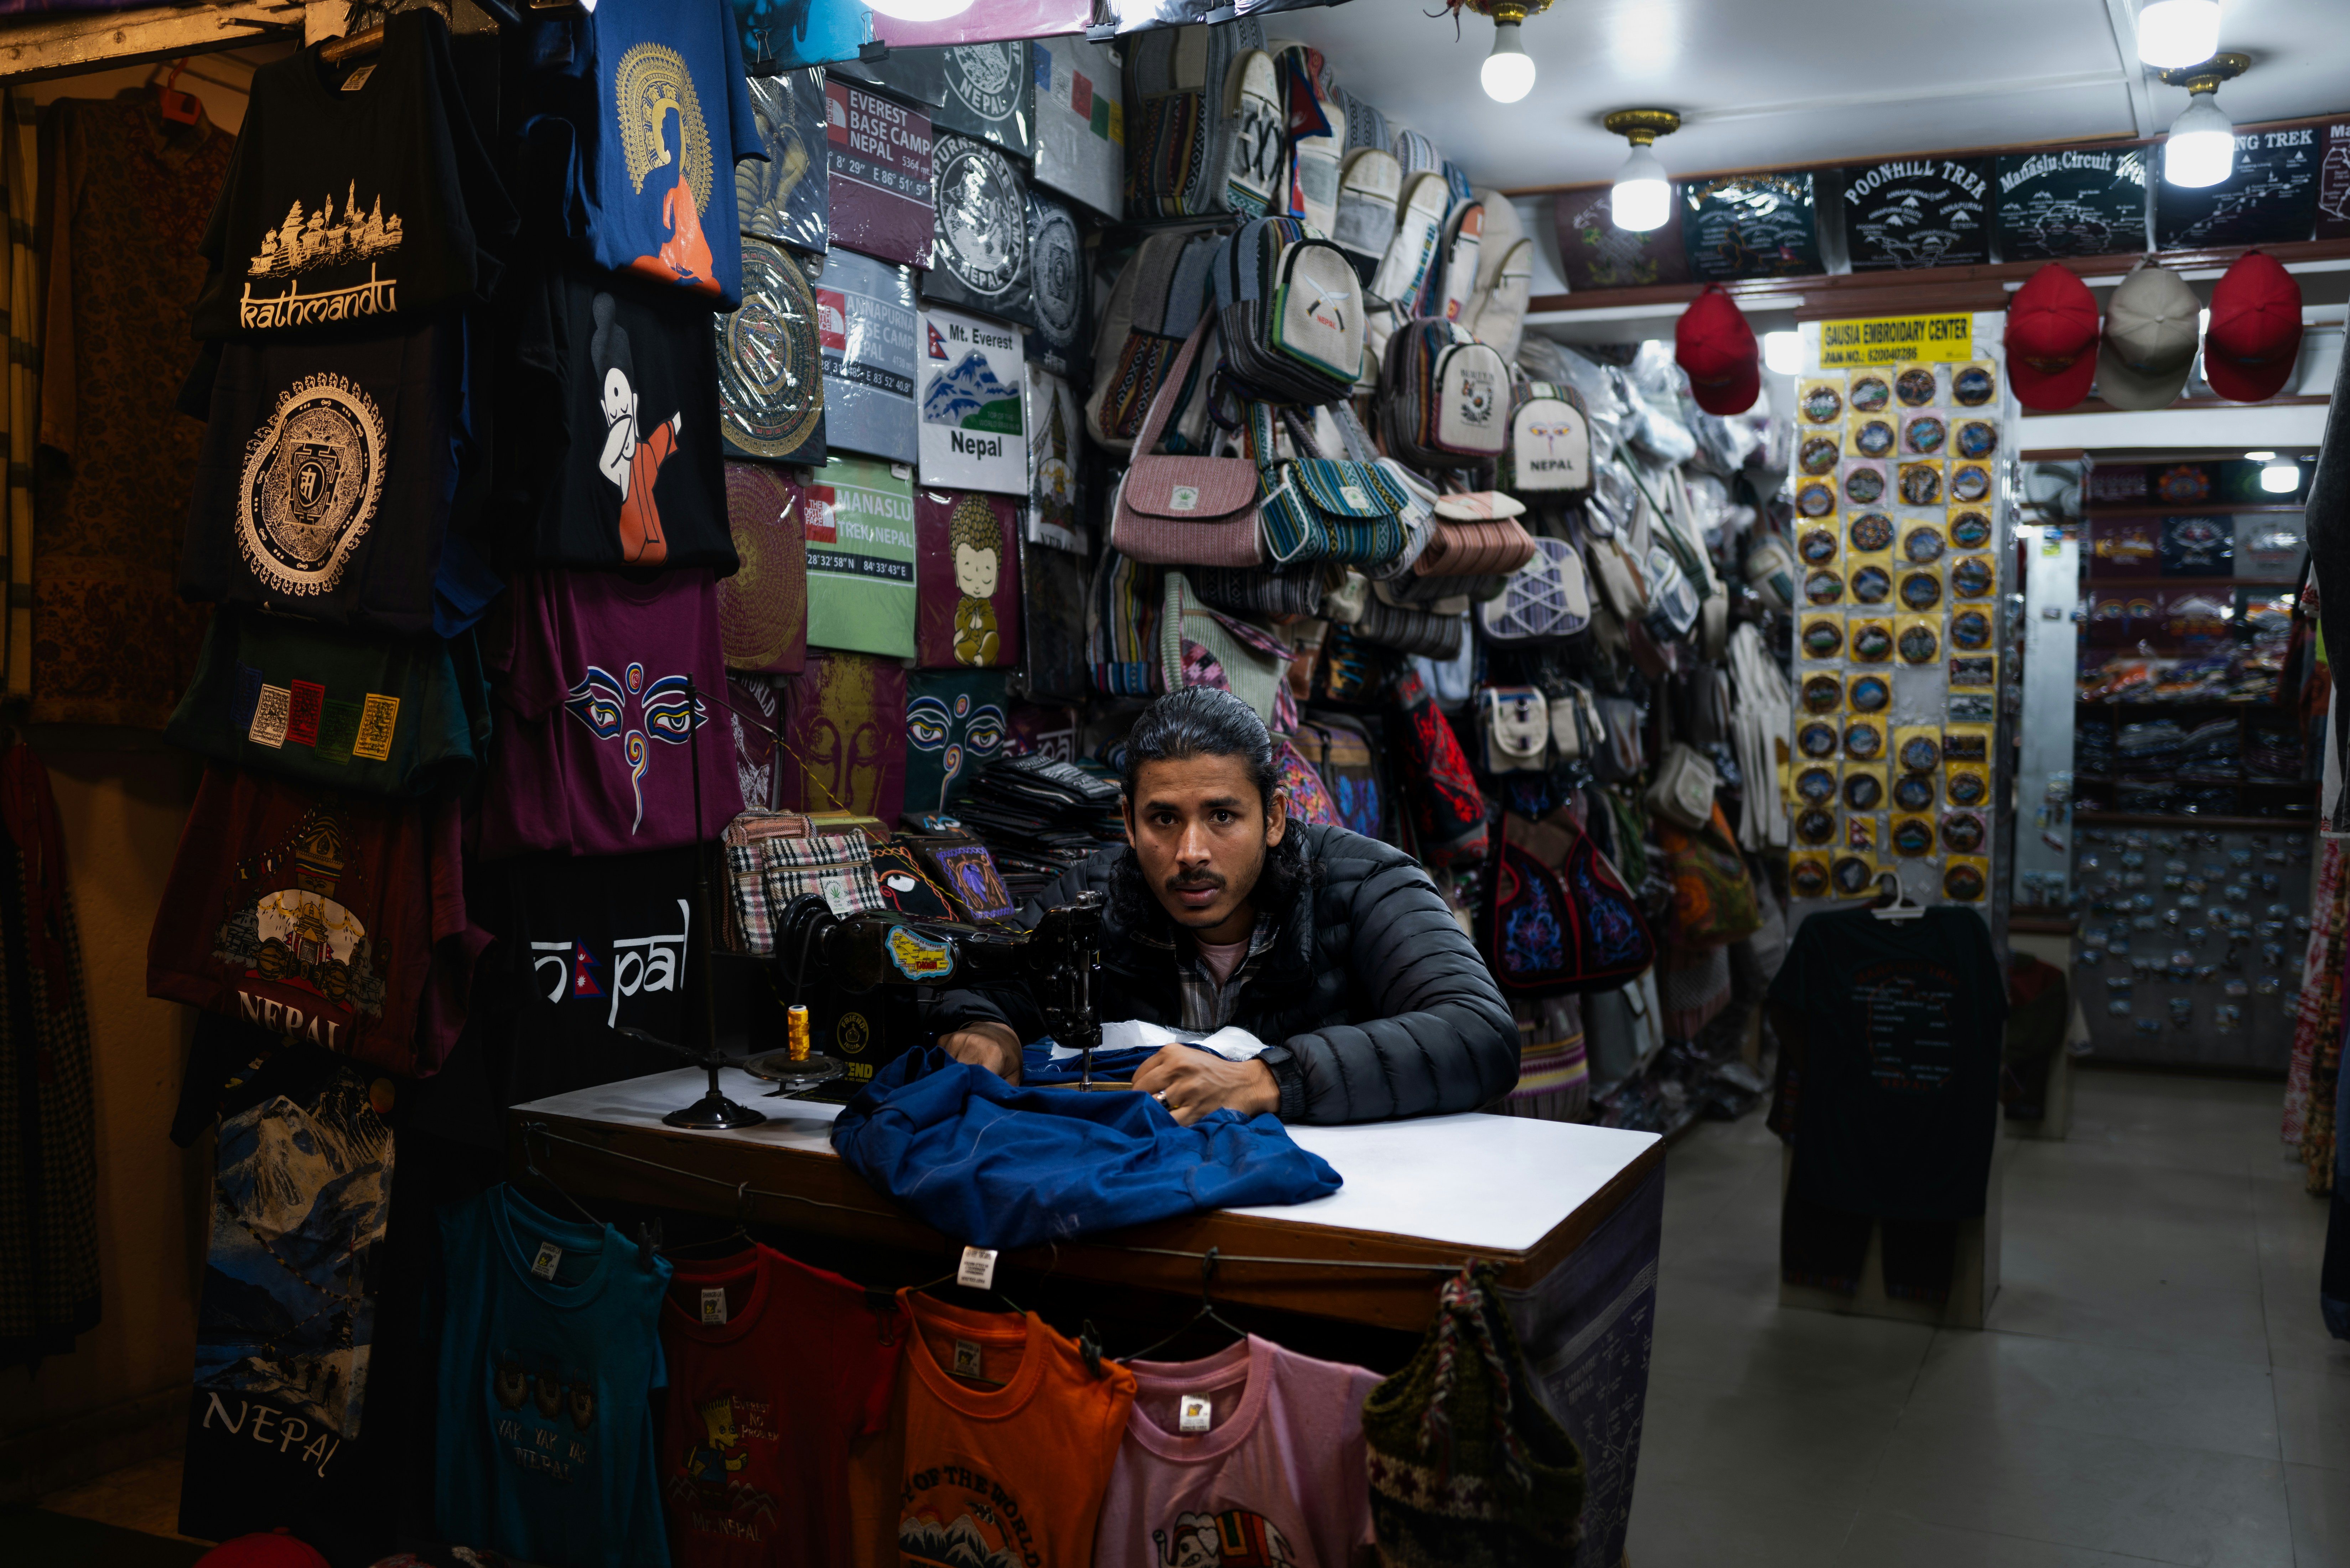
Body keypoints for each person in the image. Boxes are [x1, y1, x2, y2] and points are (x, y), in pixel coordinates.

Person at [933, 687, 1516, 1124]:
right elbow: (979, 980)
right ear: (1128, 825)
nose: (1190, 852)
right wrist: (982, 1028)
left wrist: (1267, 1081)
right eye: (1163, 818)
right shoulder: (1098, 893)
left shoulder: (1366, 885)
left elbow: (1480, 1033)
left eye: (1222, 816)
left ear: (1274, 817)